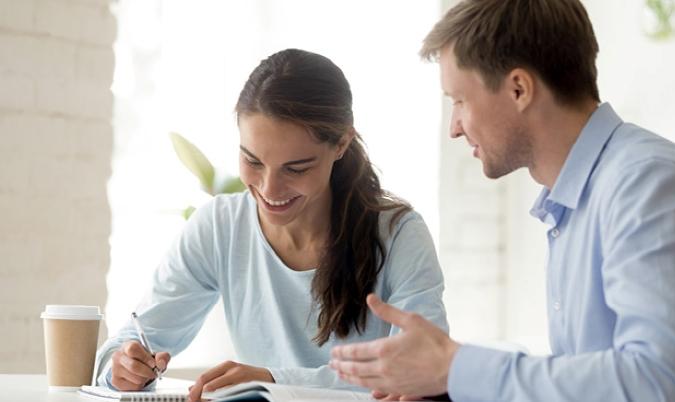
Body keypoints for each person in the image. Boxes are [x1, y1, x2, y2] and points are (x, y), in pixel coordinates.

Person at [329, 0, 675, 401]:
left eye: (459, 100)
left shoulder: (644, 184)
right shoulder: (577, 198)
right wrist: (446, 384)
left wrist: (454, 368)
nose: (454, 128)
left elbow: (659, 384)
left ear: (519, 88)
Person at [94, 48, 448, 402]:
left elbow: (424, 370)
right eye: (252, 161)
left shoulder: (399, 234)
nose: (269, 189)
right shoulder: (220, 227)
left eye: (296, 168)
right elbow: (129, 343)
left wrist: (271, 381)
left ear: (341, 144)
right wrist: (122, 368)